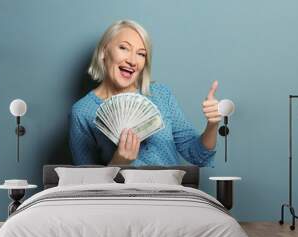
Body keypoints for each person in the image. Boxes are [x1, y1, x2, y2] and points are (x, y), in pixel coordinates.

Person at [69, 19, 220, 167]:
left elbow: (198, 155)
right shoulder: (82, 112)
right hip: (120, 193)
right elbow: (88, 184)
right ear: (103, 52)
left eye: (141, 54)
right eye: (124, 48)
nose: (133, 61)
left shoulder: (161, 94)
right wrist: (119, 162)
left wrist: (212, 124)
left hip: (170, 191)